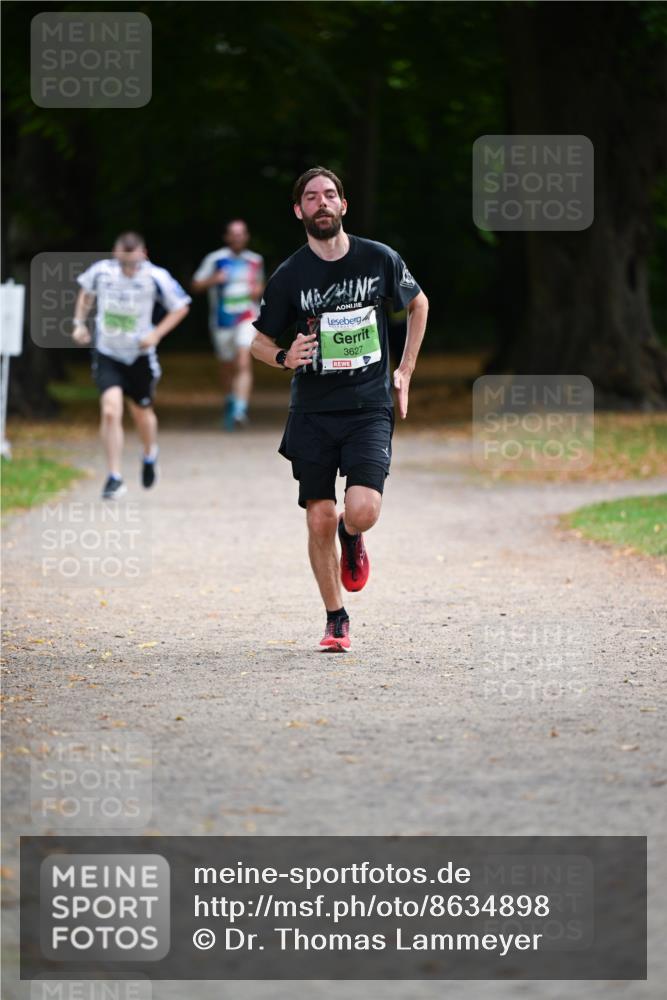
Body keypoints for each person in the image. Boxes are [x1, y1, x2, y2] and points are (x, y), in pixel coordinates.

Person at [251, 167, 428, 651]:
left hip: (368, 405)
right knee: (318, 517)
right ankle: (336, 618)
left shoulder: (379, 259)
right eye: (311, 197)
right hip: (311, 410)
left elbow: (419, 305)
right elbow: (259, 344)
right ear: (299, 211)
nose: (322, 203)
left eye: (330, 195)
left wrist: (405, 371)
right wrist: (286, 356)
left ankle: (354, 538)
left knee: (362, 509)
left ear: (344, 205)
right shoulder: (290, 276)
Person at [72, 231, 191, 499]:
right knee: (111, 411)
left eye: (132, 258)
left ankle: (150, 453)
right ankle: (114, 476)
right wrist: (79, 324)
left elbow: (181, 306)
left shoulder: (155, 276)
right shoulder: (101, 272)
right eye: (122, 257)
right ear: (115, 252)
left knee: (141, 413)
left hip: (139, 356)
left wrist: (156, 334)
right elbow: (86, 294)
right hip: (108, 353)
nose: (128, 265)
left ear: (142, 253)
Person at [192, 220, 264, 430]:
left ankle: (240, 410)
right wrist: (214, 279)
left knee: (243, 360)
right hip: (222, 321)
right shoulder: (215, 259)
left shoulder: (255, 260)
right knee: (226, 366)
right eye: (233, 234)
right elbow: (196, 284)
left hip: (247, 316)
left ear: (246, 236)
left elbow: (260, 285)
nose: (238, 237)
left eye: (241, 233)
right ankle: (230, 401)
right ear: (227, 237)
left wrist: (258, 290)